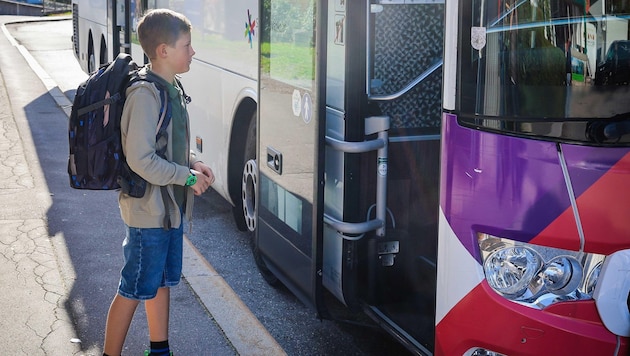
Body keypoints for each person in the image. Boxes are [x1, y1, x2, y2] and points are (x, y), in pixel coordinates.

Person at [102, 9, 214, 356]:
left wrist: (193, 163)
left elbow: (168, 148)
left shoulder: (172, 88)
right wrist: (186, 176)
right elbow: (141, 159)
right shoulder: (145, 95)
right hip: (148, 214)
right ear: (164, 50)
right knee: (134, 287)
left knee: (161, 282)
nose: (193, 52)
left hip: (169, 212)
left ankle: (160, 350)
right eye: (187, 45)